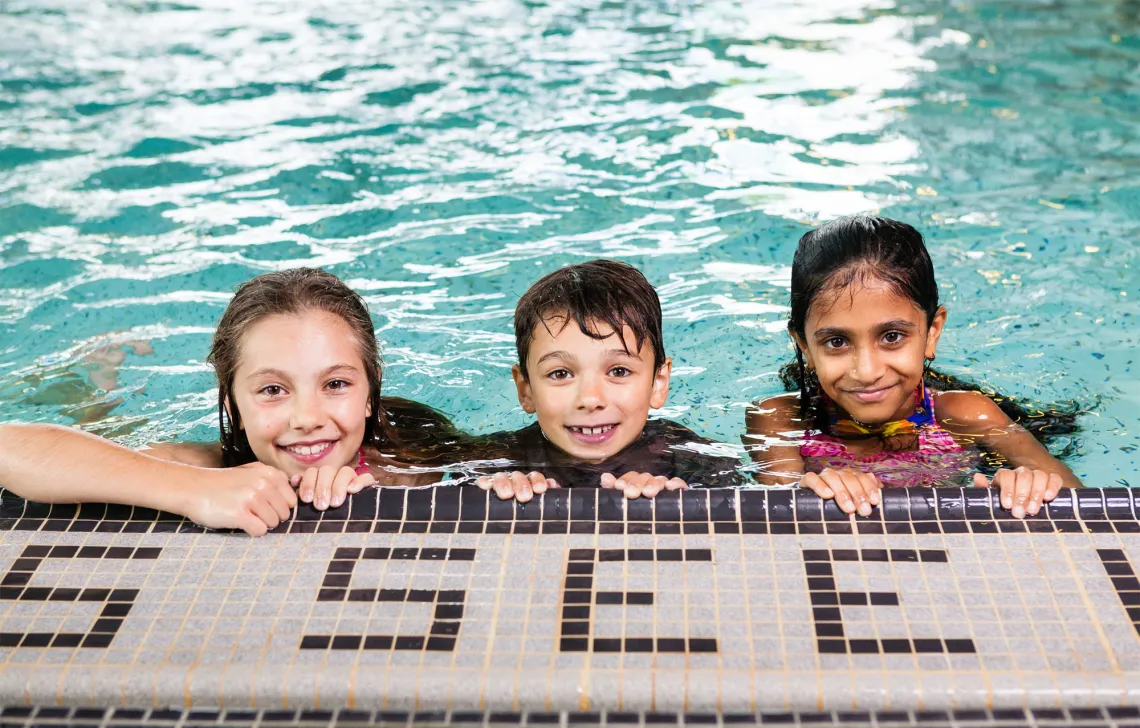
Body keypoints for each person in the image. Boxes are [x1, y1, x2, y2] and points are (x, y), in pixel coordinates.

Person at [0, 268, 457, 535]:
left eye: (336, 384)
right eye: (272, 390)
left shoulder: (424, 454)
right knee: (105, 433)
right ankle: (93, 389)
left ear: (370, 394)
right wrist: (195, 490)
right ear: (234, 406)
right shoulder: (210, 467)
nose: (307, 419)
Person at [745, 216, 1082, 519]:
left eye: (892, 336)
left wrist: (1033, 488)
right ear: (805, 346)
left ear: (931, 332)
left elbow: (1083, 501)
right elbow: (776, 513)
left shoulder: (966, 416)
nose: (866, 371)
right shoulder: (780, 419)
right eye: (836, 342)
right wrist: (812, 494)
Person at [472, 260, 742, 502]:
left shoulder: (691, 459)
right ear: (526, 389)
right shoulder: (497, 460)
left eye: (619, 371)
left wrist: (677, 501)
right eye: (560, 373)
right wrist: (493, 494)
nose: (590, 399)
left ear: (657, 383)